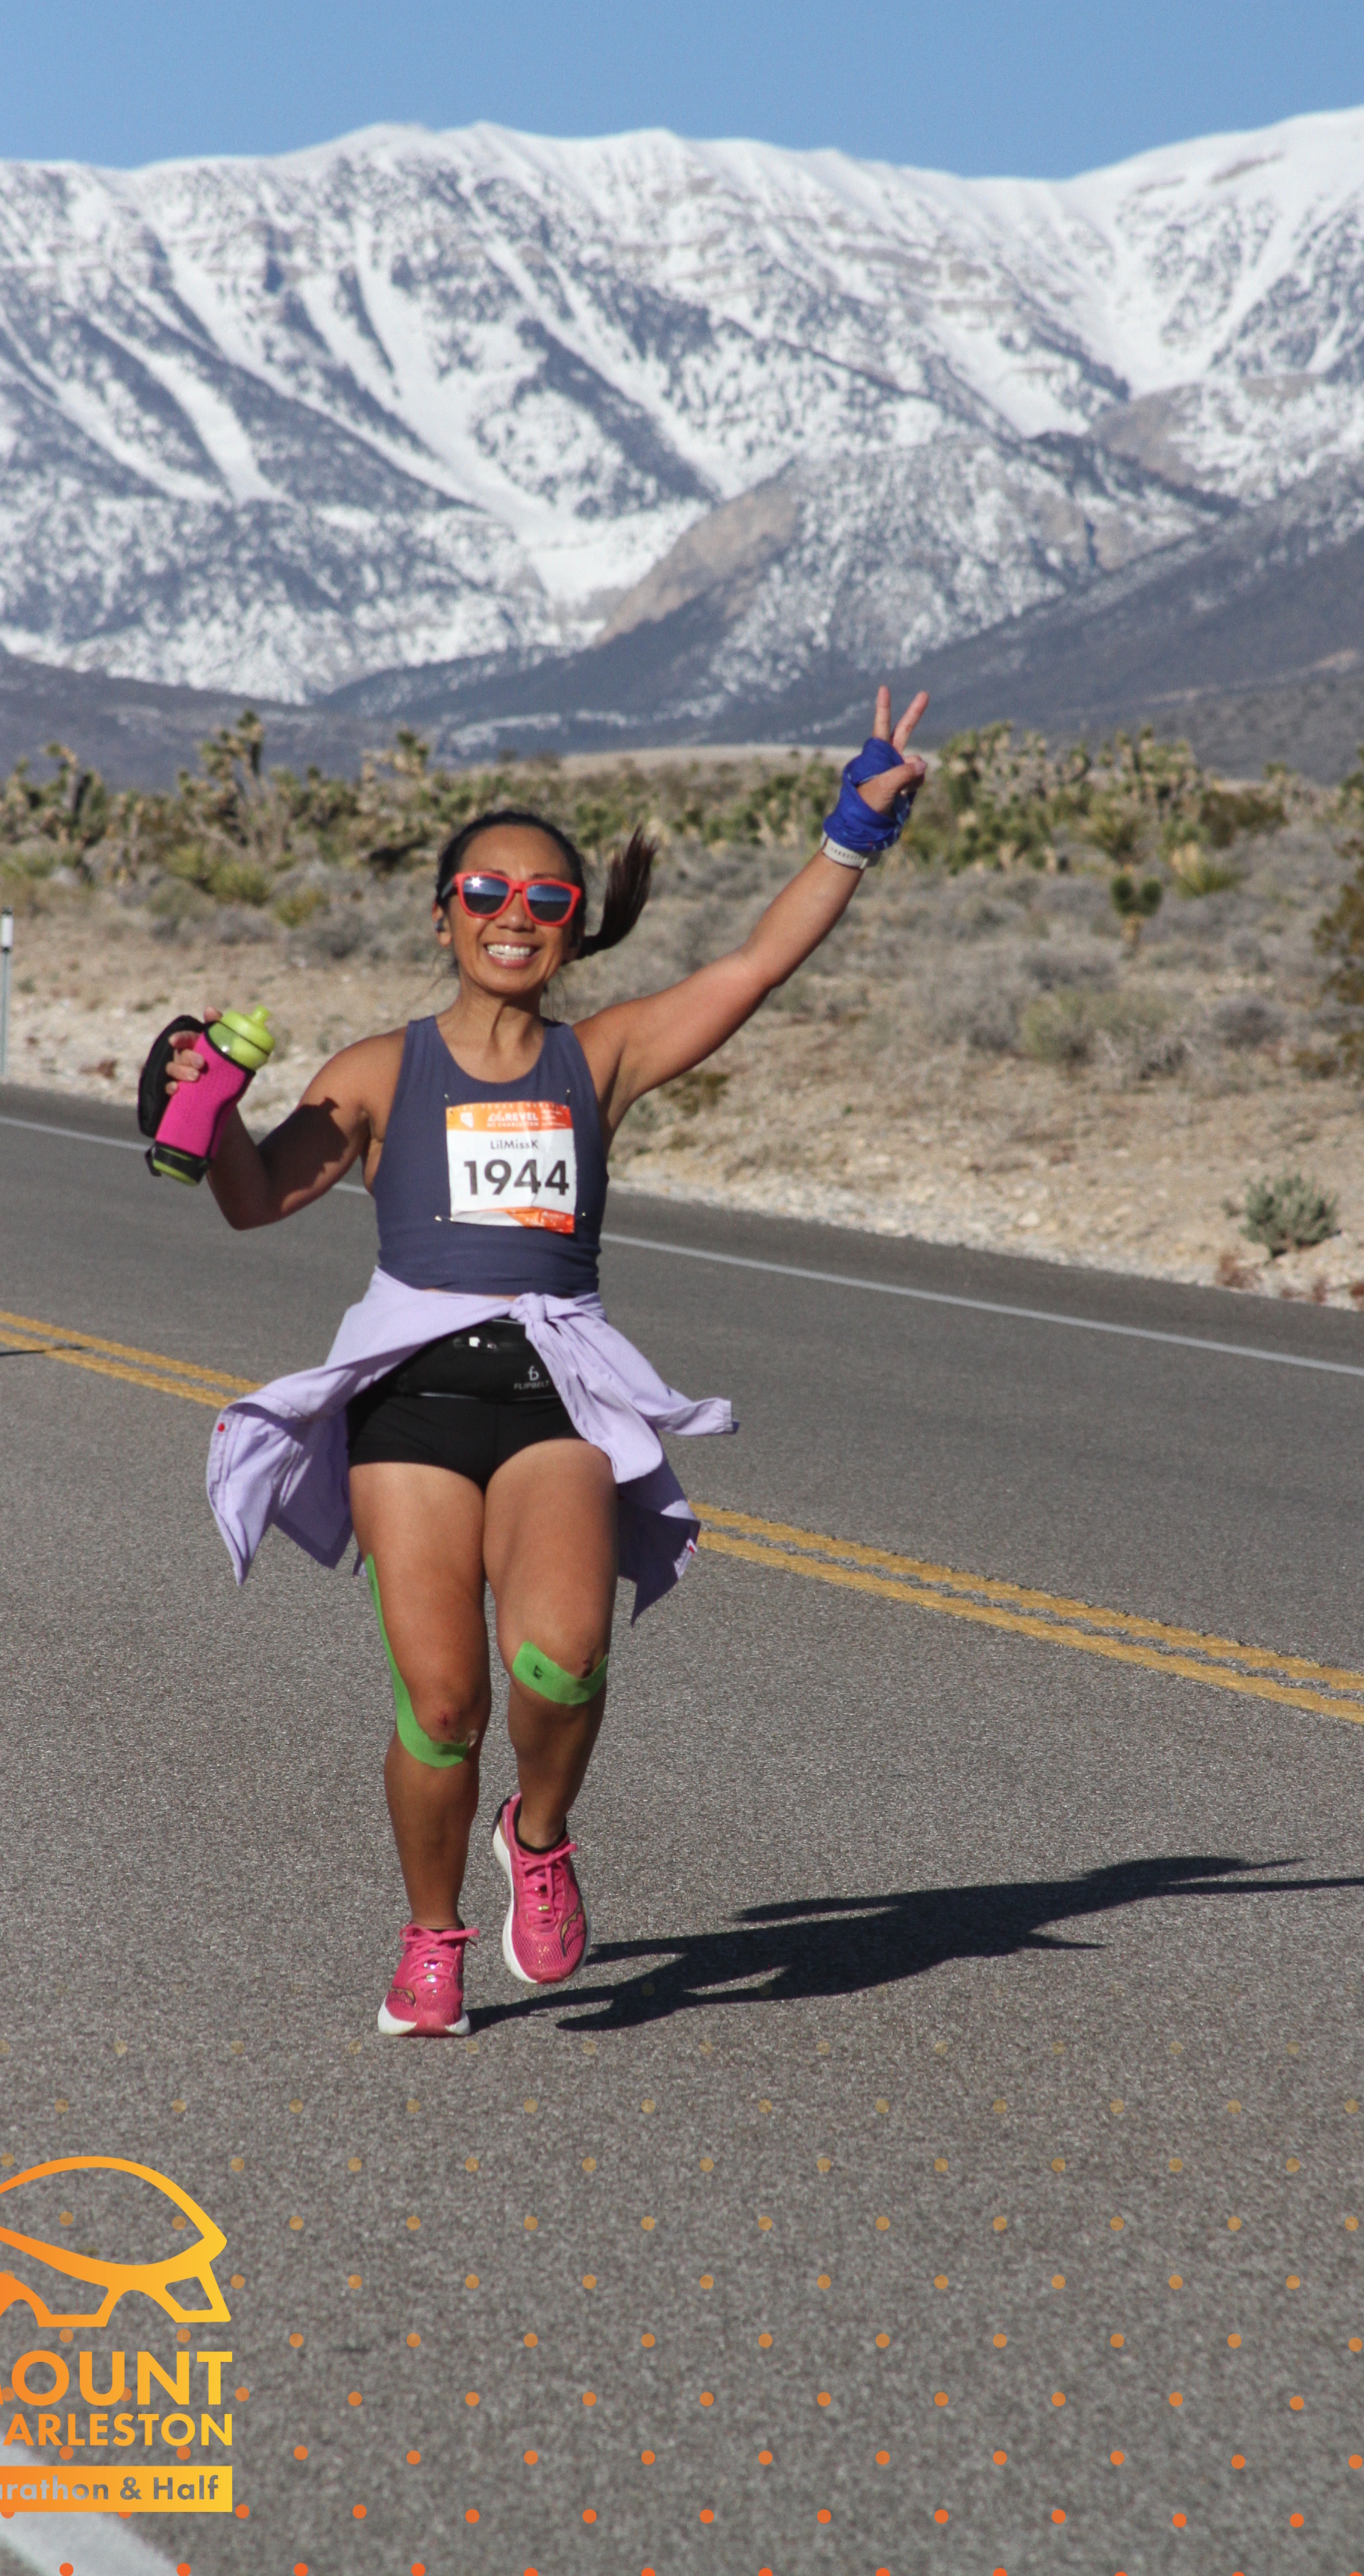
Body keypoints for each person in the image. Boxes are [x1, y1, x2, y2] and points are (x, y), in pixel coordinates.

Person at [162, 686, 927, 2037]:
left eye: (547, 899)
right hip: (409, 1408)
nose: (513, 915)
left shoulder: (601, 1058)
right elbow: (254, 1197)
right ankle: (431, 1936)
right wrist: (205, 1109)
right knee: (443, 1703)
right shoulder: (379, 1069)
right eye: (485, 892)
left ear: (576, 925)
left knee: (563, 1663)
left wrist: (853, 831)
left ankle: (541, 1833)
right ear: (443, 916)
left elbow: (755, 967)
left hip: (555, 1398)